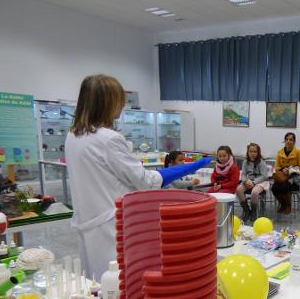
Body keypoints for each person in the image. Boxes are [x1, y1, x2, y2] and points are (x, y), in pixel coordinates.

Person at [65, 74, 210, 279]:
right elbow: (144, 182)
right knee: (117, 283)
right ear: (107, 103)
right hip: (109, 224)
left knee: (95, 283)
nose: (121, 108)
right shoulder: (109, 139)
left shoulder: (73, 136)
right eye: (118, 102)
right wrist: (186, 168)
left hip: (87, 220)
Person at [272, 132, 300, 214]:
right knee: (274, 188)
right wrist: (283, 169)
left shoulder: (298, 152)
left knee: (284, 187)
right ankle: (283, 204)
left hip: (293, 178)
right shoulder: (280, 152)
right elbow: (276, 167)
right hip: (282, 176)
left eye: (291, 139)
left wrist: (291, 170)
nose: (288, 141)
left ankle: (288, 205)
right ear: (284, 141)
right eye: (286, 139)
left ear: (294, 141)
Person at [236, 143, 269, 222]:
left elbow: (264, 176)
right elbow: (243, 174)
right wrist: (245, 181)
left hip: (261, 181)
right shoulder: (245, 162)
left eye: (255, 152)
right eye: (251, 151)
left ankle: (253, 212)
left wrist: (254, 182)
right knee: (238, 189)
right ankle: (247, 211)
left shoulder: (261, 162)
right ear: (248, 152)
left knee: (254, 192)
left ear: (258, 153)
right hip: (249, 181)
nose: (253, 153)